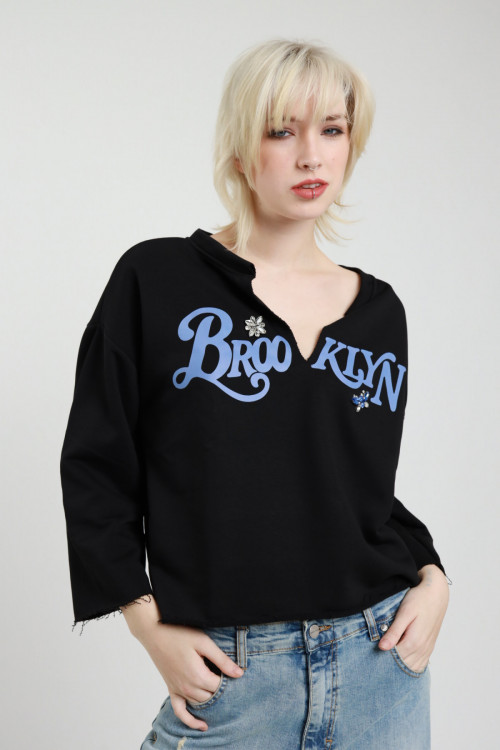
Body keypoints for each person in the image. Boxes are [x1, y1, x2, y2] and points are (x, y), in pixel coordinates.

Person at [60, 38, 451, 749]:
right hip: (235, 673)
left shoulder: (379, 312)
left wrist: (433, 576)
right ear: (241, 149)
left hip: (381, 664)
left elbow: (353, 487)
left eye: (332, 130)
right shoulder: (157, 280)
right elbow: (95, 465)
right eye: (281, 131)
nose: (311, 156)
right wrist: (147, 624)